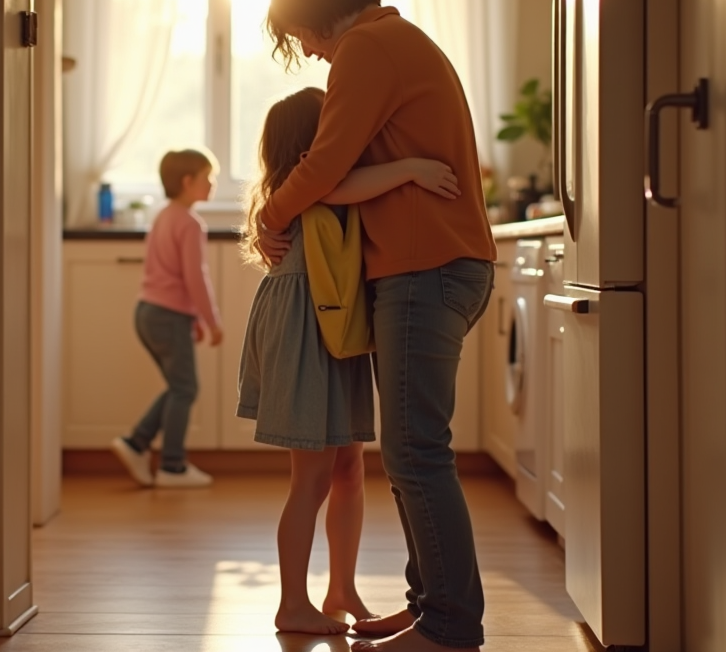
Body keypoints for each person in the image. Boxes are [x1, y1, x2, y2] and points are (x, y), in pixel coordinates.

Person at [259, 0, 498, 652]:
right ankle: (431, 606)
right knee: (410, 449)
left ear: (319, 10)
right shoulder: (397, 42)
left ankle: (451, 628)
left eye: (301, 33)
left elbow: (327, 164)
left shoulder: (367, 47)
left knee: (416, 451)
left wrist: (271, 216)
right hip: (437, 265)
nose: (307, 50)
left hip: (426, 268)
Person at [237, 86, 462, 637]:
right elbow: (347, 182)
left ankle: (341, 586)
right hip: (304, 328)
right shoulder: (306, 188)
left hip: (331, 327)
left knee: (348, 470)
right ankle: (292, 603)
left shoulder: (311, 191)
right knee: (311, 478)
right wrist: (411, 166)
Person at [110, 149, 223, 488]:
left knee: (179, 387)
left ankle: (137, 443)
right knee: (185, 388)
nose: (213, 184)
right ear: (188, 182)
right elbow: (194, 277)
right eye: (209, 177)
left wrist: (194, 319)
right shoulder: (189, 223)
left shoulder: (163, 216)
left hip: (148, 312)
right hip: (167, 315)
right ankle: (172, 465)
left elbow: (167, 275)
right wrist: (212, 320)